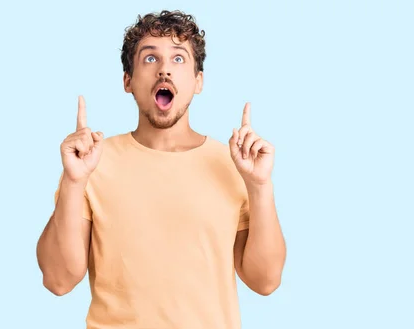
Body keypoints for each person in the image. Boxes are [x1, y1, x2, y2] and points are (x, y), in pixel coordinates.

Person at [36, 10, 286, 329]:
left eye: (179, 59)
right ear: (128, 80)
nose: (165, 69)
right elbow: (58, 280)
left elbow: (264, 281)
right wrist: (73, 182)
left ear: (198, 81)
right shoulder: (90, 164)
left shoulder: (235, 165)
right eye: (150, 58)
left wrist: (260, 186)